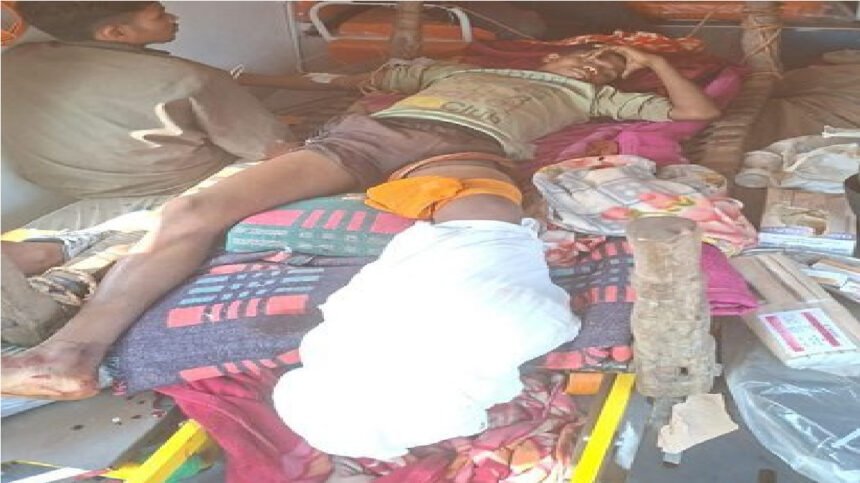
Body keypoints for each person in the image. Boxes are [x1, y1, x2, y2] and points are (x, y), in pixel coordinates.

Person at [1, 42, 720, 400]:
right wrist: (424, 71)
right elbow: (380, 77)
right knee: (192, 210)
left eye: (603, 61)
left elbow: (697, 113)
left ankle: (439, 364)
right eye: (585, 50)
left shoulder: (592, 97)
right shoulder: (451, 72)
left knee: (481, 230)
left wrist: (646, 60)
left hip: (466, 151)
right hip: (361, 140)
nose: (589, 59)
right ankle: (69, 353)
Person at [1, 1, 294, 345]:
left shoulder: (12, 64)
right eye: (159, 14)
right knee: (296, 164)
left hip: (76, 186)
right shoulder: (188, 79)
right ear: (115, 32)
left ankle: (59, 256)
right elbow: (276, 149)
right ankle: (71, 282)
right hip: (177, 184)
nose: (173, 17)